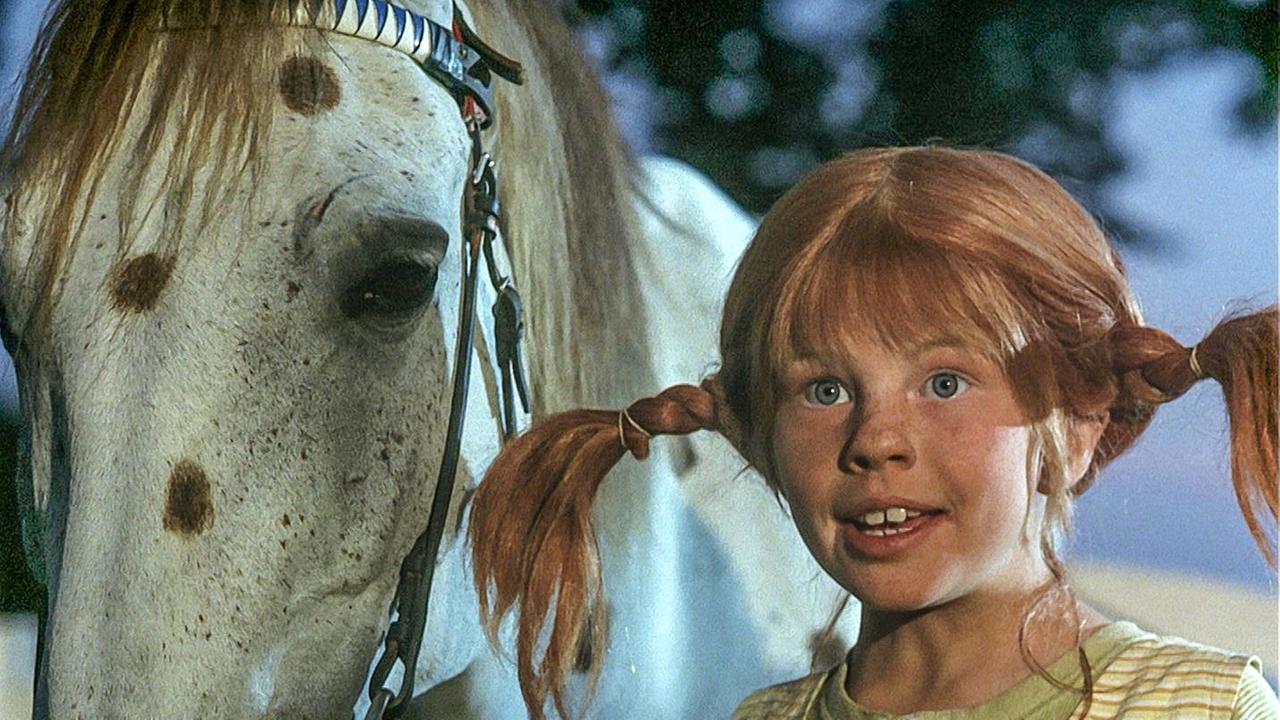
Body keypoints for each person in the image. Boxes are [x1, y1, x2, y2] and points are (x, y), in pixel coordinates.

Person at [468, 146, 1279, 720]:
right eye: (825, 390)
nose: (875, 439)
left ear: (1073, 429)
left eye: (944, 383)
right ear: (764, 450)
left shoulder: (1198, 709)